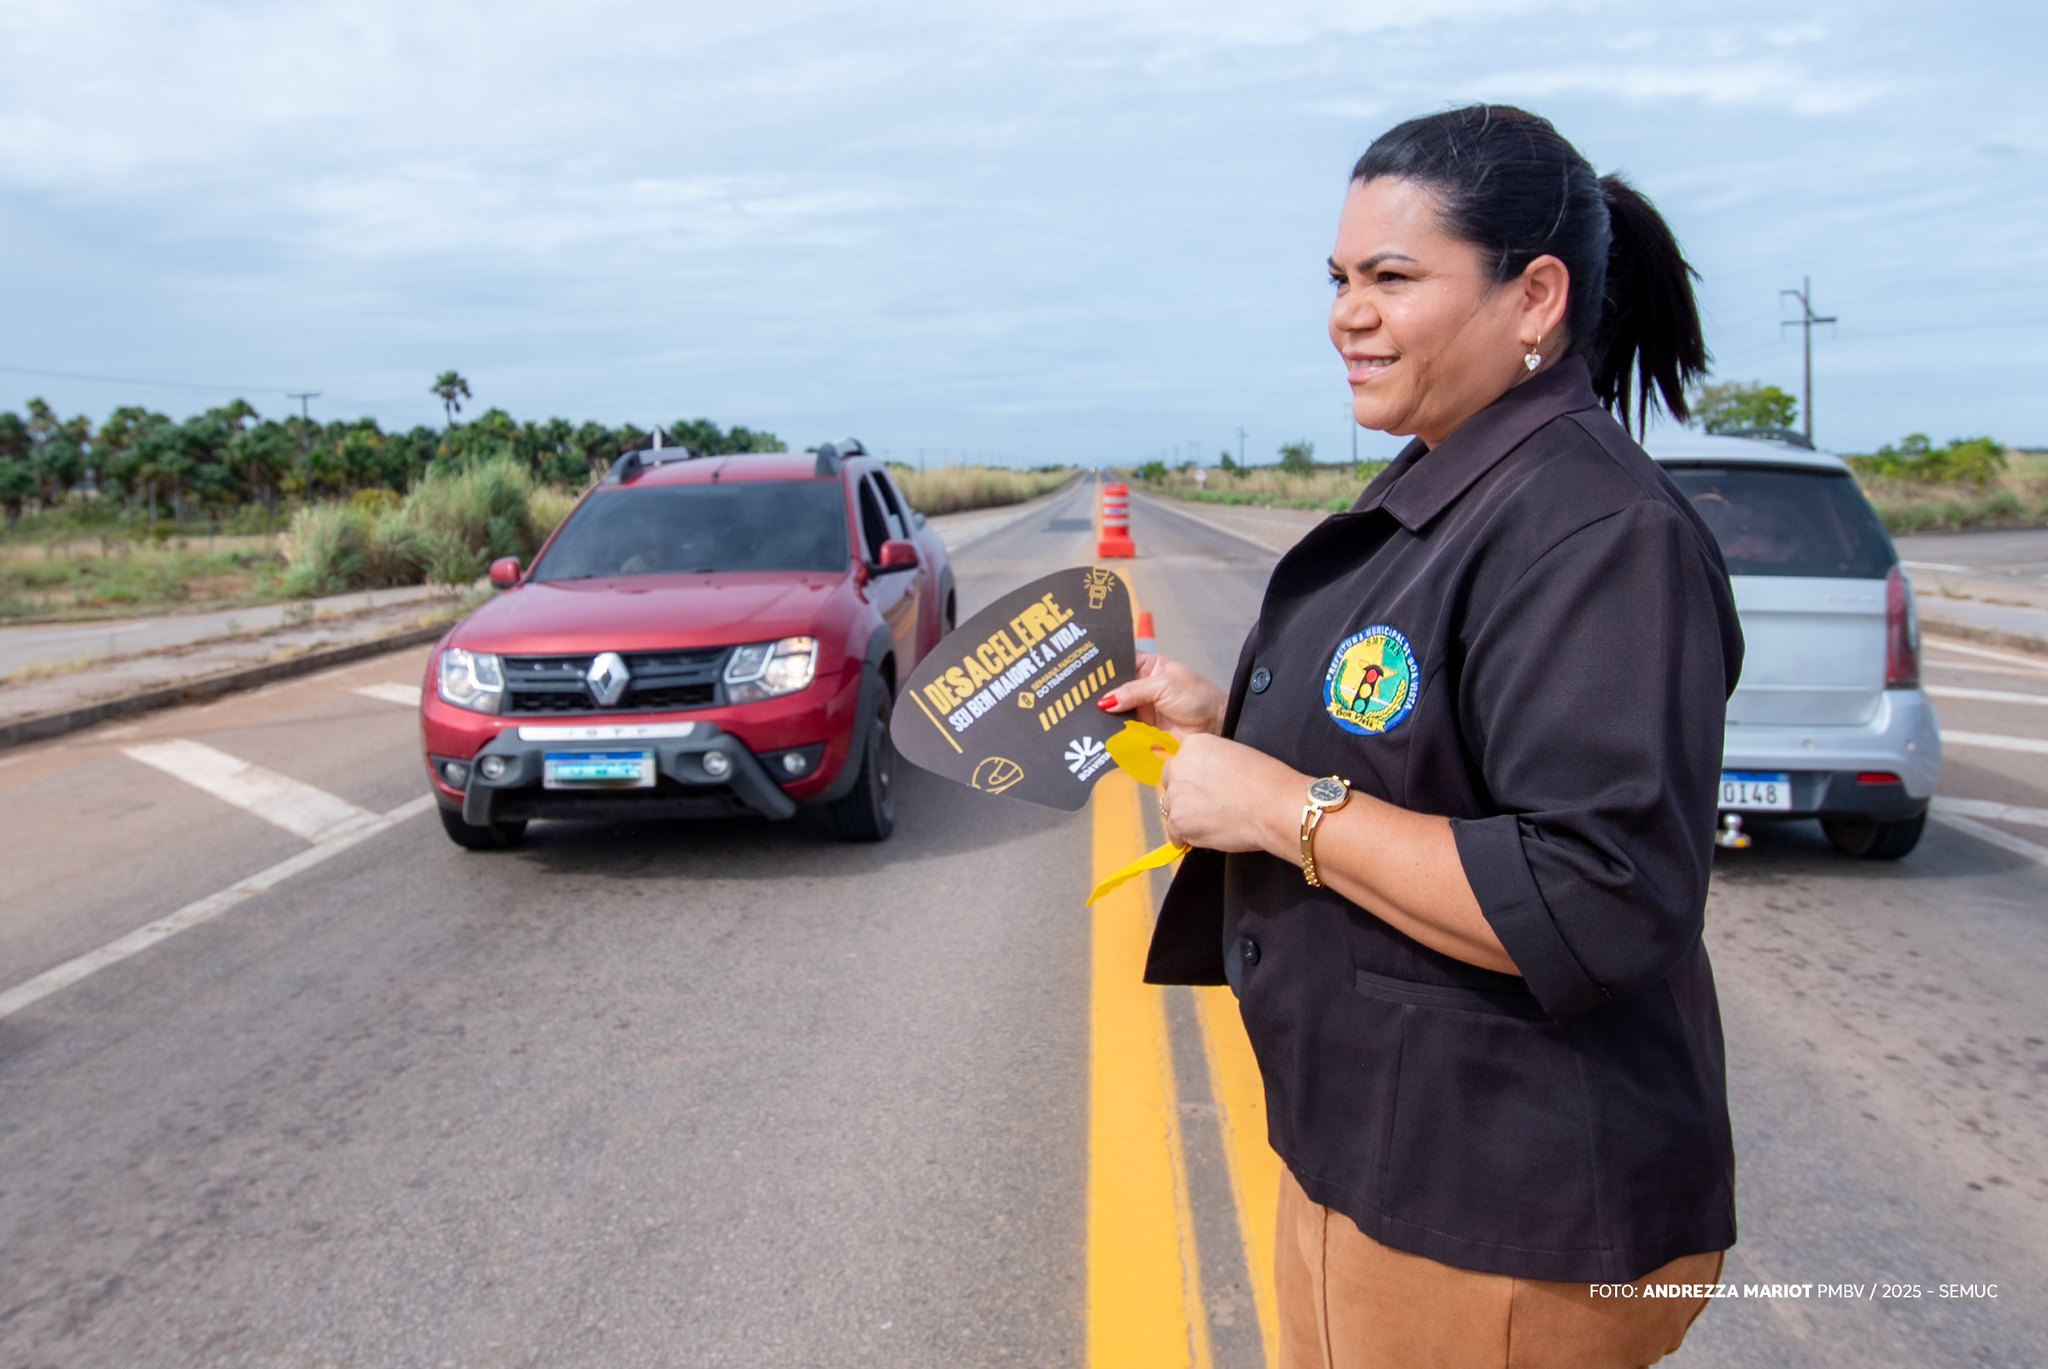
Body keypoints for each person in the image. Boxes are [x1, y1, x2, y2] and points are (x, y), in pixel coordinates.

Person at [1100, 105, 1743, 1368]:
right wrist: (1226, 728)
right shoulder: (1453, 486)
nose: (1346, 315)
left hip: (1500, 1205)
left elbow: (1597, 893)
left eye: (1391, 278)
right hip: (1383, 1160)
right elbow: (1429, 751)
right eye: (1338, 278)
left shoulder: (1595, 529)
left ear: (1533, 297)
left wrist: (1274, 808)